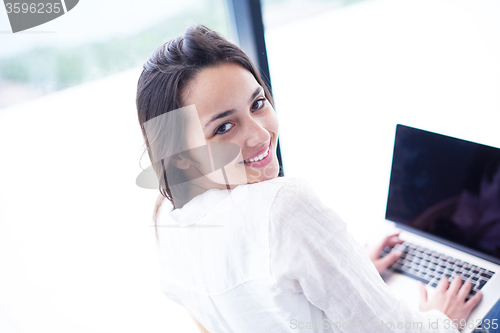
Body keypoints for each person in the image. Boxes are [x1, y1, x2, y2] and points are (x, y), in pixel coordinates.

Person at [135, 25, 482, 332]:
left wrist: (342, 269)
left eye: (257, 103)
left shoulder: (168, 221)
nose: (260, 135)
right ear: (180, 156)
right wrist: (442, 318)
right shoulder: (281, 206)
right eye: (224, 127)